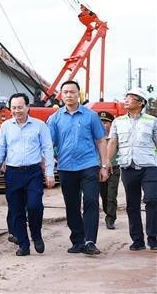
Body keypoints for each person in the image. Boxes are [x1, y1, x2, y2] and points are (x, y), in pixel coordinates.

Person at [47, 80, 108, 255]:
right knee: (72, 204)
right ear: (61, 95)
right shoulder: (55, 118)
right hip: (66, 167)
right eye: (65, 92)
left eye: (72, 92)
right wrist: (48, 164)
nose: (68, 95)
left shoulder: (91, 116)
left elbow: (100, 141)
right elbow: (48, 143)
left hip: (89, 165)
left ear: (78, 94)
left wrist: (103, 165)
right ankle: (78, 240)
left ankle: (90, 241)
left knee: (90, 201)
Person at [0, 93, 55, 256]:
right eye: (13, 108)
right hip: (13, 173)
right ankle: (23, 244)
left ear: (27, 107)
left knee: (34, 205)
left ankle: (36, 234)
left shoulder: (40, 126)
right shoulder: (6, 126)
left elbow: (47, 149)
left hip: (33, 172)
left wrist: (49, 173)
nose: (16, 111)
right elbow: (0, 148)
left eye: (20, 107)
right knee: (16, 210)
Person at [106, 87, 157, 251]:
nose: (126, 100)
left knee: (152, 199)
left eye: (131, 97)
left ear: (141, 102)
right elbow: (113, 142)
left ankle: (153, 238)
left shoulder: (152, 121)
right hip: (128, 167)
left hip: (149, 166)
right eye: (126, 97)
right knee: (132, 204)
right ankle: (137, 240)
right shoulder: (118, 122)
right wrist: (107, 161)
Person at [98, 111, 119, 230]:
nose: (103, 125)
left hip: (114, 168)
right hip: (99, 169)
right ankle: (107, 212)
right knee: (104, 194)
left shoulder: (115, 137)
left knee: (111, 195)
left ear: (111, 124)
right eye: (101, 122)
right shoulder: (95, 137)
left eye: (106, 122)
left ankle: (110, 219)